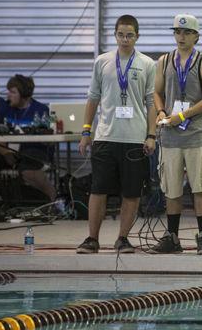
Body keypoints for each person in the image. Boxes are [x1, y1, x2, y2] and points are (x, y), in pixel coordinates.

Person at [77, 14, 157, 254]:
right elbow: (93, 98)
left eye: (130, 35)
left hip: (134, 139)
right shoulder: (102, 62)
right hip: (105, 137)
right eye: (121, 34)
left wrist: (151, 135)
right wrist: (86, 130)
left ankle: (122, 238)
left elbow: (151, 102)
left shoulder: (147, 64)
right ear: (115, 35)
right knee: (98, 190)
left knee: (131, 192)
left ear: (137, 36)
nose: (125, 39)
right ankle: (92, 239)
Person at [151, 13, 202, 255]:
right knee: (172, 188)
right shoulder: (164, 61)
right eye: (178, 32)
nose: (181, 36)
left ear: (196, 36)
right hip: (170, 135)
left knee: (200, 186)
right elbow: (156, 92)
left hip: (196, 133)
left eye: (187, 32)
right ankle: (172, 237)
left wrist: (183, 115)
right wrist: (160, 111)